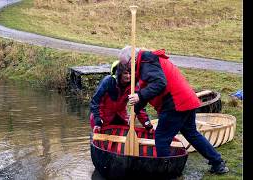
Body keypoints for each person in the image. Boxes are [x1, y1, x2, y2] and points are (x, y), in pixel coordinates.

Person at [118, 45, 229, 174]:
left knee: (161, 138)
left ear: (133, 59)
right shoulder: (146, 62)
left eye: (126, 65)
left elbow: (159, 83)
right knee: (192, 134)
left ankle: (166, 172)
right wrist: (135, 111)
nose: (127, 69)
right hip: (186, 99)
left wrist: (139, 96)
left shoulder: (147, 61)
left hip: (175, 103)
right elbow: (148, 90)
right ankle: (218, 163)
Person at [89, 60, 153, 133]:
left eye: (130, 73)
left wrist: (147, 125)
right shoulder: (108, 82)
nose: (128, 76)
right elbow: (95, 102)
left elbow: (139, 107)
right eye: (125, 73)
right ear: (119, 74)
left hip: (120, 117)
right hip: (102, 118)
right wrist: (97, 120)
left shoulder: (133, 85)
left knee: (125, 135)